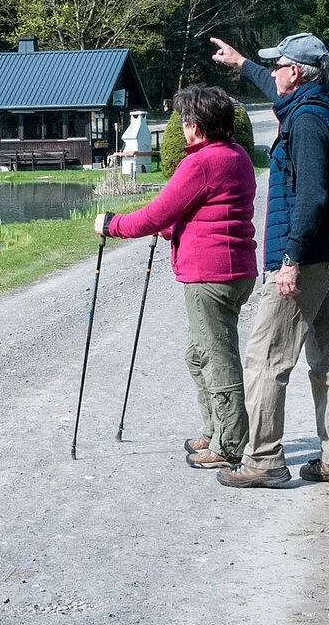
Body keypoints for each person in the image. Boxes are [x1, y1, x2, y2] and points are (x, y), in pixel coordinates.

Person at [208, 30, 329, 489]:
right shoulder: (323, 104)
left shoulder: (308, 120)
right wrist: (240, 63)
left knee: (265, 359)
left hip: (306, 255)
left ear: (295, 72)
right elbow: (270, 81)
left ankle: (264, 460)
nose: (272, 71)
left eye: (278, 65)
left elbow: (311, 196)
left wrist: (290, 258)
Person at [92, 86, 258, 471]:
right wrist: (172, 230)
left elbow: (155, 214)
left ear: (196, 126)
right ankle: (215, 429)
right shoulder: (236, 155)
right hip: (234, 269)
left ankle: (230, 444)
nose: (182, 129)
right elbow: (210, 210)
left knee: (217, 359)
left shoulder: (201, 162)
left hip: (210, 275)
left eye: (184, 122)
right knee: (198, 355)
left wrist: (112, 225)